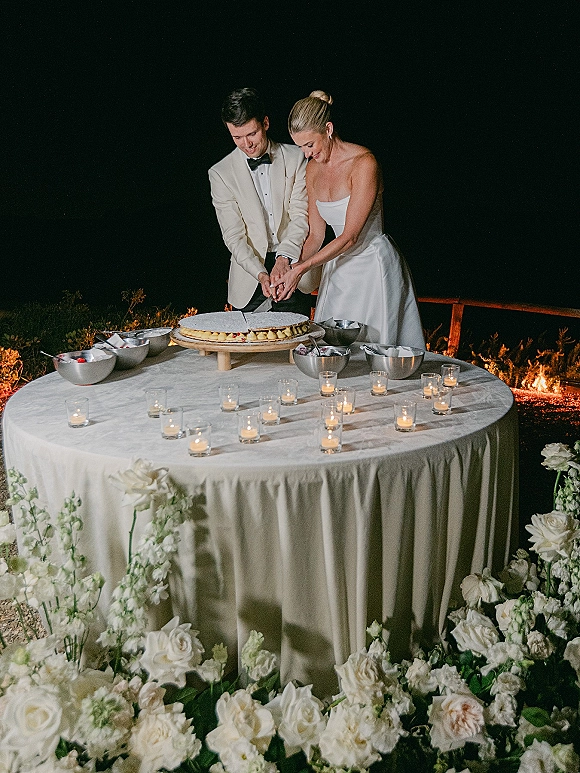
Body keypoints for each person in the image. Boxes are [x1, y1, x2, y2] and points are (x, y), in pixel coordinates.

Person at [270, 91, 425, 347]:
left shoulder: (364, 163)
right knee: (334, 352)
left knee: (377, 352)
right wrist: (291, 267)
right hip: (337, 267)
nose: (306, 154)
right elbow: (317, 235)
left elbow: (350, 236)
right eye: (300, 147)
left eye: (310, 145)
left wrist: (301, 269)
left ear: (328, 129)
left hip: (372, 268)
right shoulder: (312, 170)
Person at [208, 87, 319, 315]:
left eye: (252, 134)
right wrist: (260, 273)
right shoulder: (220, 173)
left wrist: (283, 259)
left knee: (296, 344)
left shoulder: (297, 157)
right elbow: (233, 236)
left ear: (265, 123)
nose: (246, 144)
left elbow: (301, 216)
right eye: (236, 137)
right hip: (249, 277)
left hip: (294, 264)